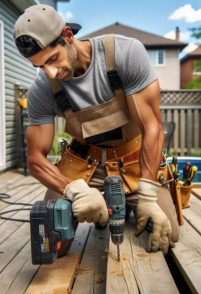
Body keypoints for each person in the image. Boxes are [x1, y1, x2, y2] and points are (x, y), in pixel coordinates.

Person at [13, 4, 179, 256]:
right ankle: (100, 204)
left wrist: (147, 194)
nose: (51, 73)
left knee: (170, 235)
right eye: (40, 66)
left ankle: (126, 204)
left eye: (52, 59)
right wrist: (74, 190)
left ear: (68, 36)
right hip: (81, 166)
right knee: (50, 242)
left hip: (133, 163)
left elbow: (152, 126)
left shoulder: (124, 53)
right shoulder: (42, 89)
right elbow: (35, 160)